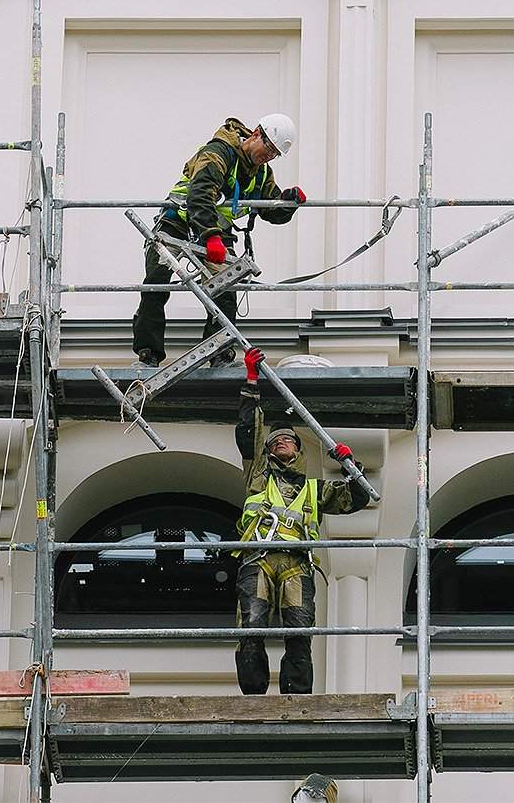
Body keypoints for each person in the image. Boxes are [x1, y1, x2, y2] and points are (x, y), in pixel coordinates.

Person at [235, 346, 371, 695]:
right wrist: (251, 382)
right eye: (276, 441)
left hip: (297, 564)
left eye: (289, 440)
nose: (282, 443)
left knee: (299, 628)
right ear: (268, 451)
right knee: (251, 624)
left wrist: (351, 467)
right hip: (258, 559)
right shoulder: (256, 475)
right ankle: (252, 695)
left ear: (298, 449)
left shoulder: (313, 488)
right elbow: (248, 432)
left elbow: (354, 498)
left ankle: (296, 695)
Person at [131, 113, 305, 367]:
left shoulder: (261, 173)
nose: (267, 156)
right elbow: (200, 193)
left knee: (226, 289)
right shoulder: (219, 152)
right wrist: (210, 236)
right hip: (177, 221)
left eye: (274, 154)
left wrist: (288, 203)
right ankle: (148, 354)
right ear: (256, 133)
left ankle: (219, 354)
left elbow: (270, 209)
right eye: (268, 148)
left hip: (214, 230)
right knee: (156, 284)